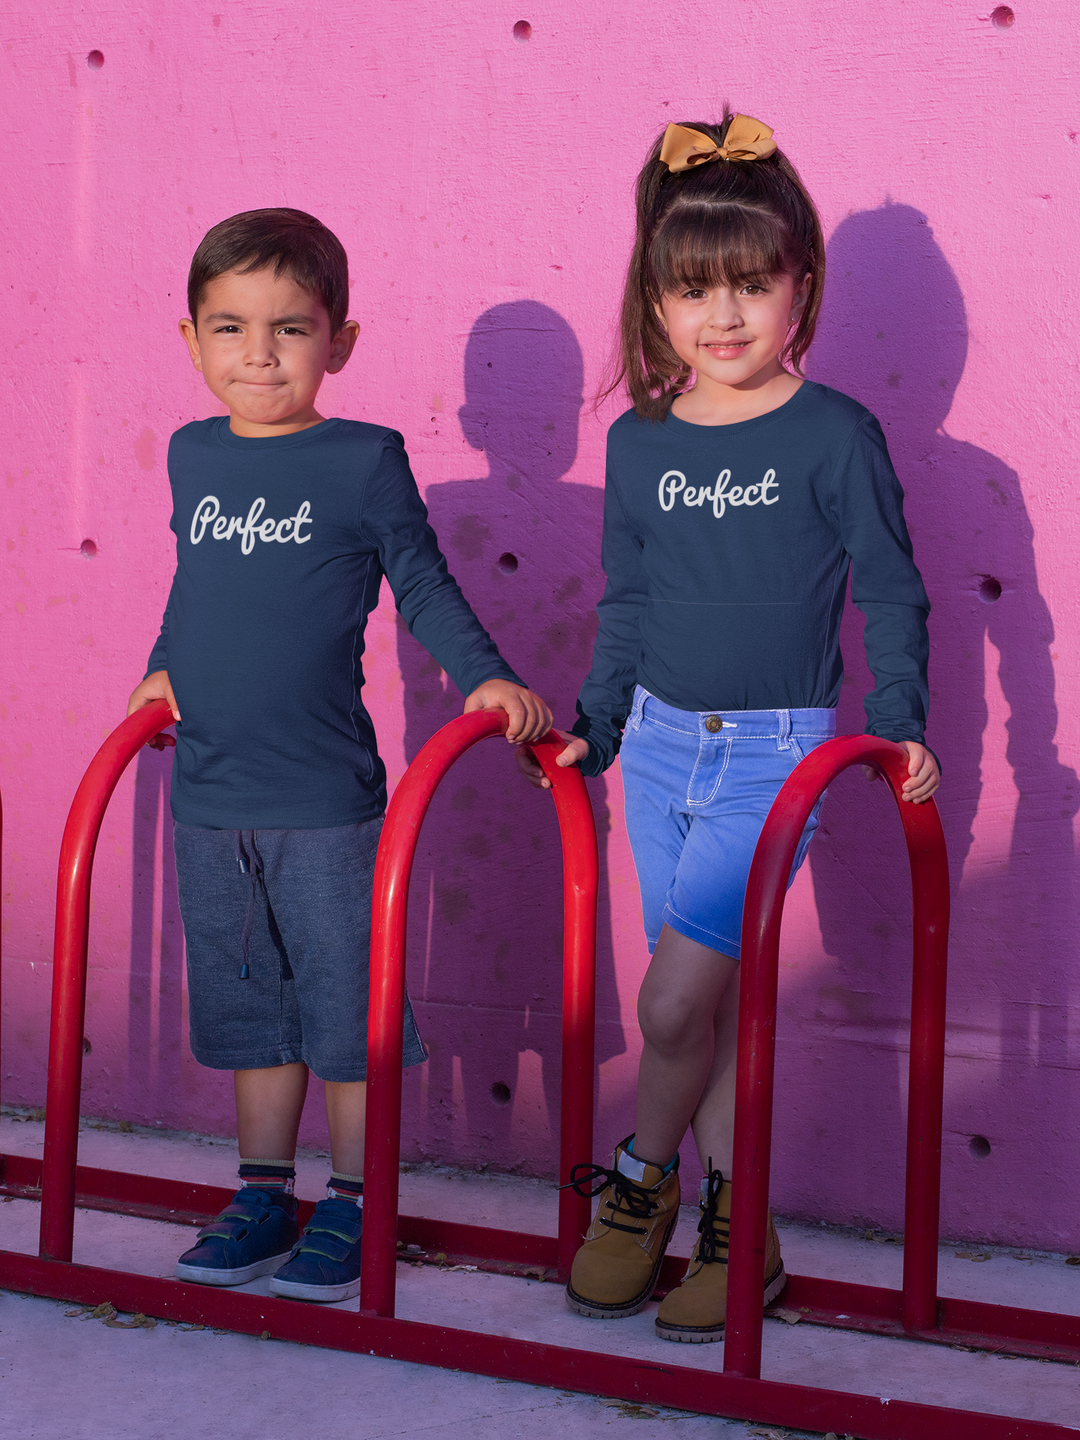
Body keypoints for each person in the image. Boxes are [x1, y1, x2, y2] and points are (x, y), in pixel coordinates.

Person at [519, 112, 940, 1342]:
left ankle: (640, 1183)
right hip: (656, 747)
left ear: (802, 282)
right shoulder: (640, 441)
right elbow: (630, 599)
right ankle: (739, 1230)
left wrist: (898, 721)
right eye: (694, 288)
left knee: (666, 1008)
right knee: (704, 1007)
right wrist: (599, 723)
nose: (725, 315)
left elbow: (892, 591)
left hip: (774, 758)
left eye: (753, 284)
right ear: (653, 300)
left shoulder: (835, 434)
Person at [128, 208, 552, 1303]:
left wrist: (487, 675)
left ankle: (359, 1203)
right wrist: (163, 663)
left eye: (290, 328)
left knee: (346, 1015)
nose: (259, 353)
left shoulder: (361, 460)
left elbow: (423, 584)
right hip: (209, 795)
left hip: (323, 801)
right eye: (230, 327)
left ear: (340, 341)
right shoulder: (192, 453)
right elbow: (193, 579)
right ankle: (264, 1193)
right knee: (253, 1013)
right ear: (191, 340)